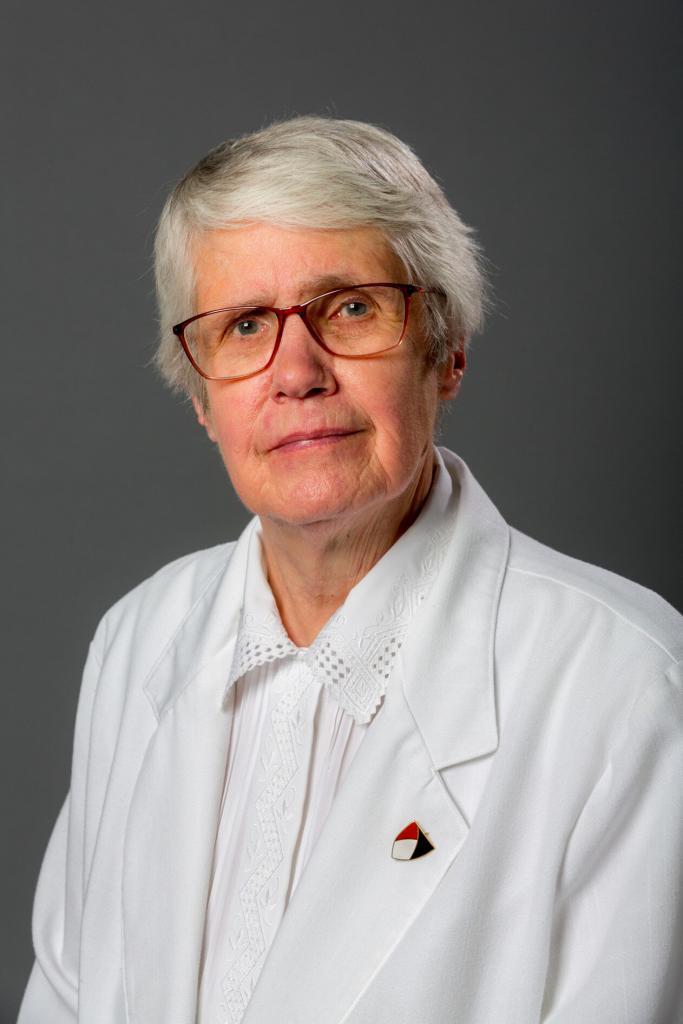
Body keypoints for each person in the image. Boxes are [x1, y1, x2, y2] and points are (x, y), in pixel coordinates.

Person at [18, 116, 682, 1024]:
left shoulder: (629, 687)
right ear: (202, 397)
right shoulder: (137, 638)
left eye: (351, 308)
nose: (296, 372)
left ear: (445, 349)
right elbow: (65, 994)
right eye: (244, 324)